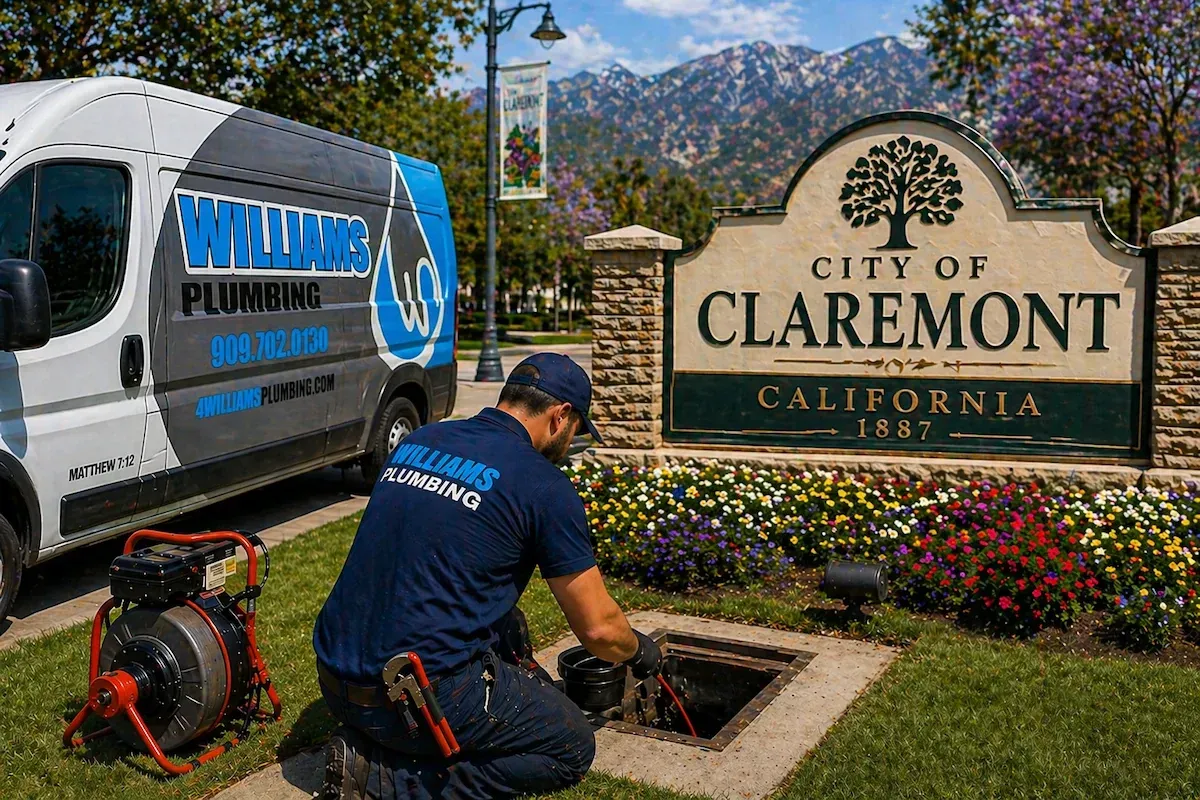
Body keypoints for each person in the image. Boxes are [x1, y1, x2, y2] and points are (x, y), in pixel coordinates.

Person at [312, 352, 663, 799]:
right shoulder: (542, 485)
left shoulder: (422, 440)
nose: (571, 443)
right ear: (561, 417)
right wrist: (639, 651)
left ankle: (374, 744)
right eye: (576, 432)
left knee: (509, 624)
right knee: (571, 744)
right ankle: (385, 781)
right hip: (410, 702)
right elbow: (598, 630)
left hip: (336, 677)